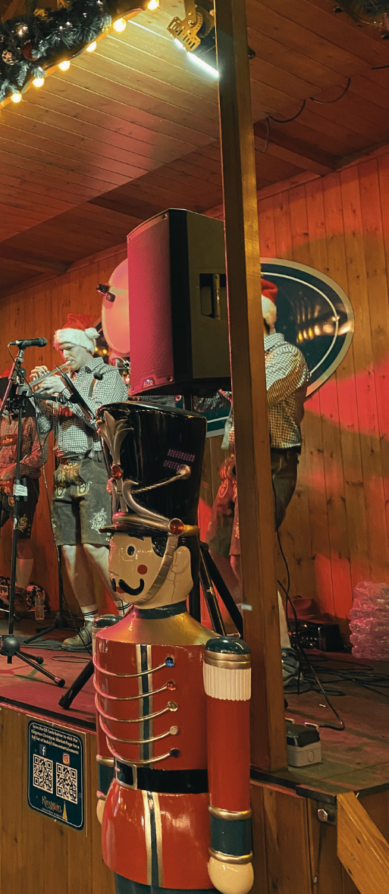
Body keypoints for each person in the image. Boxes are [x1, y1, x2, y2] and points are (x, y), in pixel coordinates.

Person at [95, 401, 253, 894]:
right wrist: (104, 791)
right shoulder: (107, 633)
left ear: (180, 564)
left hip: (186, 826)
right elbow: (107, 729)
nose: (119, 562)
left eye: (134, 551)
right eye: (118, 549)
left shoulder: (215, 652)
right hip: (124, 815)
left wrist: (230, 843)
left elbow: (227, 753)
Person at [206, 277, 310, 668]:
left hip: (271, 461)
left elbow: (256, 394)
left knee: (248, 557)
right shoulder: (245, 360)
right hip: (237, 467)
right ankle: (246, 635)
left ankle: (280, 651)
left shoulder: (285, 355)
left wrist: (226, 369)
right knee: (216, 552)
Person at [31, 313, 130, 650]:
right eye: (61, 350)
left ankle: (129, 616)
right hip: (62, 468)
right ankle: (90, 624)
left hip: (94, 464)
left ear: (88, 345)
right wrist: (39, 399)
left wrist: (68, 391)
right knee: (70, 551)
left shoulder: (107, 374)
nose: (65, 356)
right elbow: (45, 430)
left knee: (94, 544)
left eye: (70, 348)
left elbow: (104, 418)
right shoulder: (65, 378)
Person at [0, 365, 49, 606]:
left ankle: (19, 594)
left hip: (24, 486)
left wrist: (15, 469)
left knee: (20, 539)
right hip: (0, 488)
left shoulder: (32, 416)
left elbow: (41, 455)